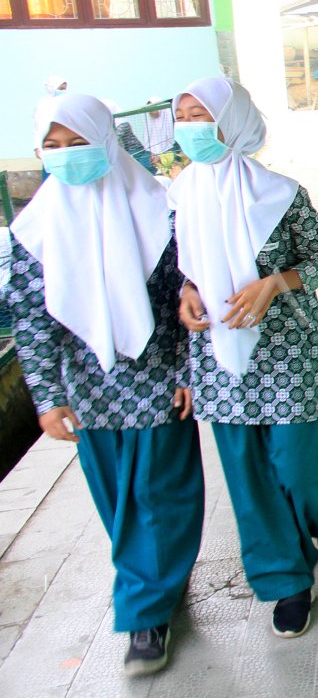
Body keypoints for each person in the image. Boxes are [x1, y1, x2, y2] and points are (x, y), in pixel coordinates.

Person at [5, 94, 203, 677]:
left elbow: (190, 296)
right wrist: (48, 397)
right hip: (89, 391)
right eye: (54, 148)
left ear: (108, 142)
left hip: (158, 379)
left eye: (80, 144)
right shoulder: (33, 231)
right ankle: (160, 581)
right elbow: (30, 321)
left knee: (161, 495)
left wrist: (189, 370)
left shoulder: (159, 211)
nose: (67, 158)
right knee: (120, 503)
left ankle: (143, 617)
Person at [170, 76, 318, 638]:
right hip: (216, 352)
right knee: (248, 474)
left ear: (232, 121)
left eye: (200, 115)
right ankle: (285, 581)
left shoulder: (281, 194)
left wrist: (275, 284)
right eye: (181, 115)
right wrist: (187, 292)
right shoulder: (180, 193)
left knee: (299, 462)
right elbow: (183, 266)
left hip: (287, 349)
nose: (188, 127)